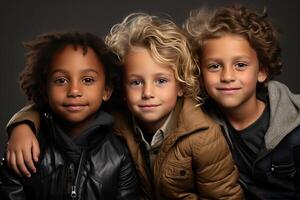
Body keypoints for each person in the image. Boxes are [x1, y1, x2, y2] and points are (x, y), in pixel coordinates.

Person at [2, 14, 243, 199]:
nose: (148, 93)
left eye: (161, 81)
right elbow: (60, 105)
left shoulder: (204, 137)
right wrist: (22, 124)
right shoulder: (116, 116)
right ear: (120, 87)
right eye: (136, 82)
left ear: (181, 86)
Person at [0, 32, 138, 200]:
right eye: (61, 81)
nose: (74, 91)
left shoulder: (119, 154)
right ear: (45, 89)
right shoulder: (24, 148)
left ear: (106, 90)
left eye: (87, 80)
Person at [184, 4, 300, 199]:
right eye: (214, 66)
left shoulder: (294, 128)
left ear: (261, 71)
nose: (227, 76)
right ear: (201, 75)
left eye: (240, 65)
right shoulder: (198, 125)